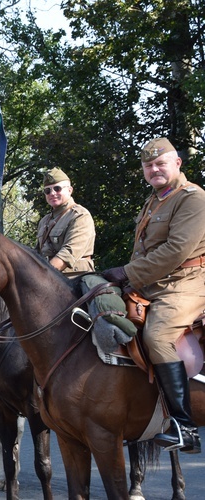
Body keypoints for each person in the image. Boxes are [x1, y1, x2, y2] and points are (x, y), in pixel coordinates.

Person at [102, 137, 205, 454]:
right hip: (152, 283)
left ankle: (183, 426)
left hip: (187, 282)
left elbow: (177, 251)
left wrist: (128, 273)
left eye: (160, 163)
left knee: (158, 335)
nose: (154, 169)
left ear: (177, 163)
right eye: (148, 165)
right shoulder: (155, 200)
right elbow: (143, 249)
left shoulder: (193, 199)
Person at [36, 168, 96, 275]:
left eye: (57, 188)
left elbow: (68, 253)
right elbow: (37, 254)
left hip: (75, 277)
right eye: (47, 190)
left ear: (69, 190)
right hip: (47, 277)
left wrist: (41, 275)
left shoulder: (79, 215)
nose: (52, 193)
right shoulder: (44, 221)